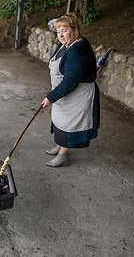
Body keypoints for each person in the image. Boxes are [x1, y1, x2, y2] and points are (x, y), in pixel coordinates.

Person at [41, 13, 100, 167]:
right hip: (65, 92)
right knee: (60, 120)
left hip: (77, 94)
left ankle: (64, 155)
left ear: (75, 30)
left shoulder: (78, 51)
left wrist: (51, 97)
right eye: (58, 31)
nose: (60, 35)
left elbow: (70, 82)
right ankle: (61, 146)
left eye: (64, 30)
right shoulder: (67, 44)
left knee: (69, 123)